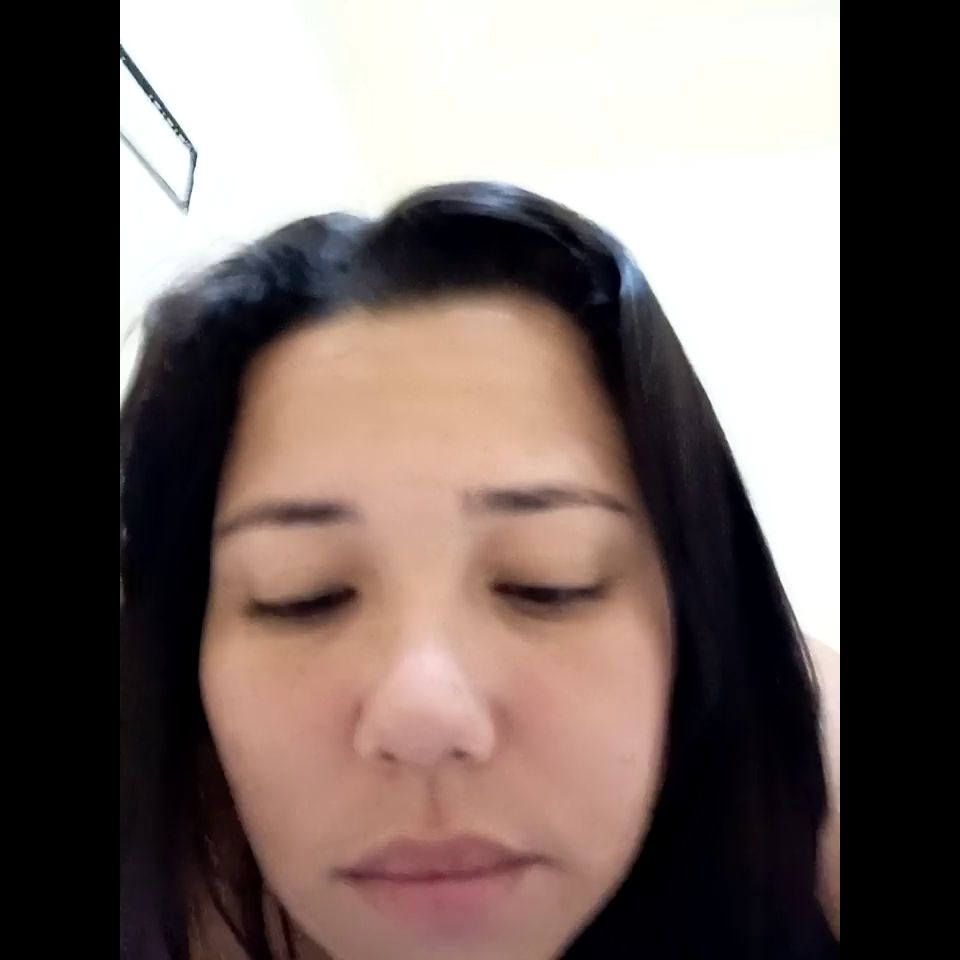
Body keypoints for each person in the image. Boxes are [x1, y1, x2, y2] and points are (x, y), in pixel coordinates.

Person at [120, 182, 840, 960]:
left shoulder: (806, 788)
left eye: (547, 582)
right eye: (303, 595)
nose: (423, 714)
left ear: (695, 620)